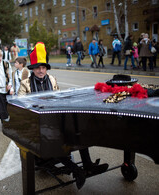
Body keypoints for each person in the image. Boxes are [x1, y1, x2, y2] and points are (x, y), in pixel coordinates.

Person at [18, 42, 108, 189]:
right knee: (54, 140)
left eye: (43, 67)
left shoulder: (52, 79)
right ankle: (76, 170)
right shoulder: (25, 84)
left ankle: (88, 165)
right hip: (37, 125)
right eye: (38, 68)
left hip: (54, 119)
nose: (41, 71)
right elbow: (21, 107)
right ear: (33, 68)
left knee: (77, 130)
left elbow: (59, 98)